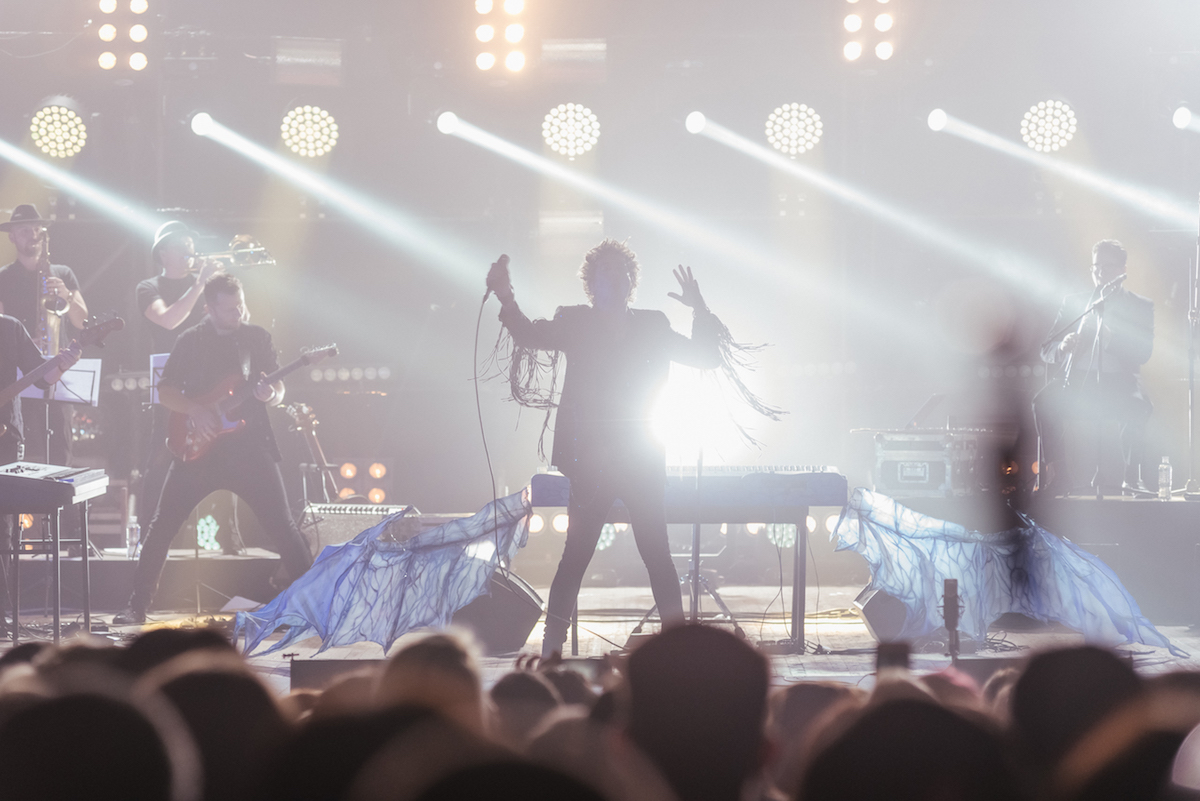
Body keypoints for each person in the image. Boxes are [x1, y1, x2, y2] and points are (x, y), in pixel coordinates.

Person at [487, 240, 730, 658]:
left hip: (641, 459)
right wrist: (506, 297)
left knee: (657, 555)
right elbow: (528, 333)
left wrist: (699, 309)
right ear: (592, 283)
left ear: (631, 282)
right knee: (576, 556)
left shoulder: (652, 325)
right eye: (606, 272)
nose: (615, 278)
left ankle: (678, 649)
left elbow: (706, 357)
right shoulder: (575, 323)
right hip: (591, 463)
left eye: (622, 272)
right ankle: (551, 648)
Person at [113, 274, 311, 624]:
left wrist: (271, 394)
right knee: (162, 526)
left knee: (283, 526)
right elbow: (165, 391)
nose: (240, 313)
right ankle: (136, 606)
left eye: (241, 305)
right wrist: (195, 410)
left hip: (250, 448)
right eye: (230, 309)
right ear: (210, 309)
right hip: (197, 451)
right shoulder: (190, 340)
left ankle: (318, 605)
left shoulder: (256, 337)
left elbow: (278, 390)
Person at [134, 222, 236, 549]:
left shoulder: (205, 286)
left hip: (210, 384)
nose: (190, 251)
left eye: (191, 245)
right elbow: (169, 320)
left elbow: (234, 322)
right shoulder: (149, 287)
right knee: (161, 461)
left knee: (220, 456)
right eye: (182, 246)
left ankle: (222, 536)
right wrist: (200, 284)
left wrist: (220, 286)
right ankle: (151, 538)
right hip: (171, 389)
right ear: (163, 252)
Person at [1033, 240, 1154, 496]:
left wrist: (1110, 337)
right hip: (1078, 380)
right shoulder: (1075, 301)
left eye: (1108, 267)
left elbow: (1143, 353)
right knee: (1042, 402)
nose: (1100, 272)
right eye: (1096, 266)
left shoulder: (1140, 305)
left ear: (1123, 270)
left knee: (1139, 406)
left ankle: (1132, 479)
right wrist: (1063, 346)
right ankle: (1059, 476)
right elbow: (1046, 349)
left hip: (1120, 382)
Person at [0, 319, 79, 631]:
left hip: (4, 438)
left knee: (2, 528)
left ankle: (0, 612)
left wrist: (61, 366)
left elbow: (42, 378)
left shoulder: (9, 329)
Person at [0, 204, 88, 467]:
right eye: (25, 230)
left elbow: (82, 321)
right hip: (18, 372)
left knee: (60, 447)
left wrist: (67, 295)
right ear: (12, 236)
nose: (33, 235)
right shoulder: (3, 277)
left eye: (37, 229)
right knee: (20, 443)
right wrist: (25, 344)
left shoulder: (62, 273)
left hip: (55, 368)